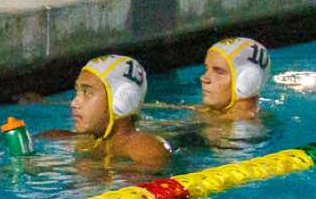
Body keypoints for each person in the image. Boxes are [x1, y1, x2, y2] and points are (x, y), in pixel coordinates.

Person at [41, 54, 171, 171]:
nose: (74, 103)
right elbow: (59, 136)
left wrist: (89, 167)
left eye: (87, 92)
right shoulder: (93, 141)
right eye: (77, 92)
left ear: (121, 100)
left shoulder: (146, 148)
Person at [199, 37, 270, 120]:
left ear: (247, 80)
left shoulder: (241, 126)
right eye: (206, 68)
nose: (203, 78)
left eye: (218, 72)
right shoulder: (215, 116)